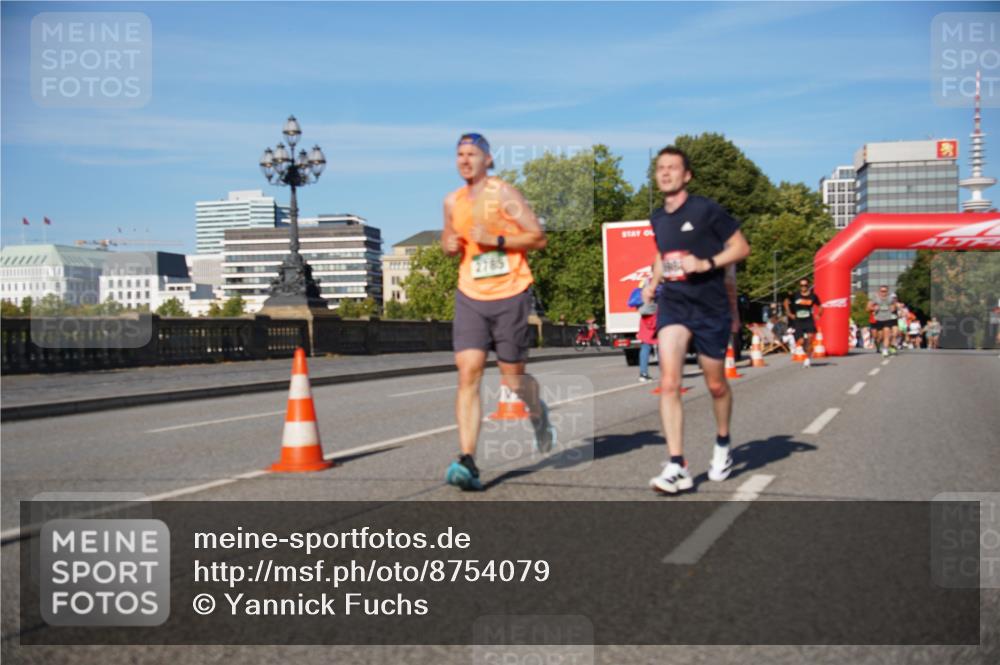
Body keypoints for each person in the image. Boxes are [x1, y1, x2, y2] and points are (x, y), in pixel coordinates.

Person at [441, 132, 555, 491]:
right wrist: (447, 245)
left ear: (488, 160)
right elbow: (450, 243)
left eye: (472, 153)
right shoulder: (451, 201)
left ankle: (538, 412)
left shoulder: (504, 194)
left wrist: (498, 240)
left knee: (512, 379)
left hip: (510, 292)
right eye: (460, 154)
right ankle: (468, 459)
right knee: (468, 372)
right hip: (470, 293)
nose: (465, 160)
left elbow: (538, 237)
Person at [641, 146, 750, 495]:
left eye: (673, 168)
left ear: (686, 175)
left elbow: (740, 248)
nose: (666, 173)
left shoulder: (706, 210)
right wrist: (653, 282)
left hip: (709, 307)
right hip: (674, 305)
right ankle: (678, 464)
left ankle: (722, 442)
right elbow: (661, 254)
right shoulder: (658, 218)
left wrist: (705, 264)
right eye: (660, 168)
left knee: (716, 385)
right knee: (669, 381)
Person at [784, 278, 823, 367]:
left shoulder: (813, 296)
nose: (803, 287)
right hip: (798, 321)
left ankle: (807, 358)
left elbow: (820, 306)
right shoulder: (795, 295)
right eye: (801, 285)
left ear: (808, 286)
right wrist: (789, 313)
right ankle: (807, 349)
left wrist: (819, 314)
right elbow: (786, 302)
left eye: (805, 285)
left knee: (810, 339)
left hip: (808, 320)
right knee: (801, 342)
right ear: (799, 286)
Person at [634, 273, 658, 382]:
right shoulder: (660, 282)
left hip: (645, 316)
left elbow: (638, 298)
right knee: (664, 346)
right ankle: (668, 375)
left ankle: (643, 374)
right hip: (657, 315)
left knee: (645, 346)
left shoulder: (644, 282)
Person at [868, 285, 897, 357]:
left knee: (886, 334)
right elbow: (868, 307)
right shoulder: (875, 298)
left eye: (885, 291)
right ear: (879, 292)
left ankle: (885, 350)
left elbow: (894, 305)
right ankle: (878, 345)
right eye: (882, 291)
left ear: (887, 291)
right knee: (879, 337)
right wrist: (874, 308)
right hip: (878, 319)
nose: (883, 293)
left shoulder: (890, 298)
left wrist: (893, 308)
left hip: (888, 319)